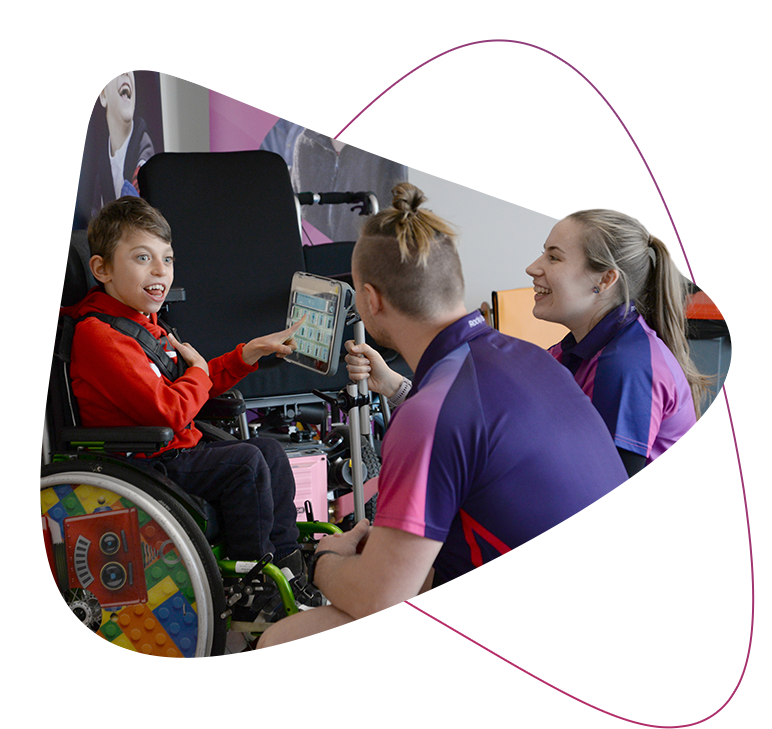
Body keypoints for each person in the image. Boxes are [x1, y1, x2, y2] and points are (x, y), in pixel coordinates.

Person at [255, 183, 656, 658]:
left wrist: (325, 560)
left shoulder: (433, 412)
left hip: (560, 657)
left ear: (368, 300)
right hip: (624, 635)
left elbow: (376, 601)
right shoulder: (533, 359)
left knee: (289, 644)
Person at [50, 196, 319, 619]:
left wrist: (243, 355)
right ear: (101, 269)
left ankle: (286, 565)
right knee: (246, 462)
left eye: (167, 259)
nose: (160, 271)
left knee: (267, 450)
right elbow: (169, 410)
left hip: (168, 451)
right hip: (138, 462)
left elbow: (188, 388)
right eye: (143, 258)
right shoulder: (99, 336)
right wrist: (197, 372)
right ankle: (251, 585)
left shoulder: (141, 325)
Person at [524, 206, 725, 657]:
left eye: (554, 257)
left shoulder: (625, 364)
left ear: (605, 280)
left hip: (666, 580)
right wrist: (400, 389)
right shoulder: (579, 350)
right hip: (633, 562)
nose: (533, 268)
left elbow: (606, 503)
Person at [291, 70, 406, 243]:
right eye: (315, 71)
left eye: (331, 69)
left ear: (357, 79)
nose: (320, 82)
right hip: (315, 269)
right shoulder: (304, 145)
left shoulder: (385, 143)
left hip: (363, 268)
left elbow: (394, 233)